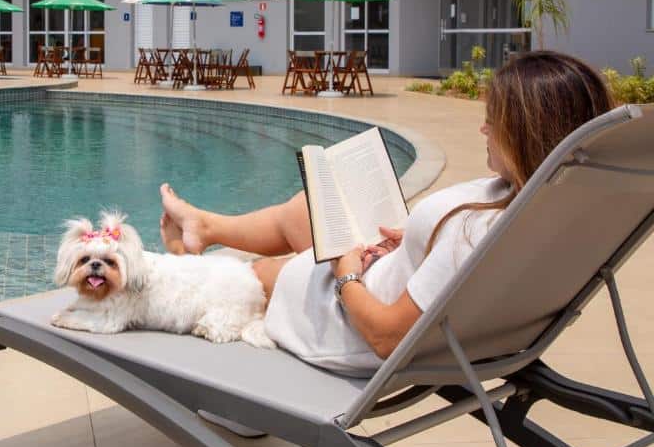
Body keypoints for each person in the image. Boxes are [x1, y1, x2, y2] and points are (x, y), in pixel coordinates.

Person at [158, 52, 614, 375]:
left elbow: (386, 338)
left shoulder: (478, 234)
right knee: (304, 210)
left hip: (347, 322)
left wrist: (345, 273)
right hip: (388, 272)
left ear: (525, 130)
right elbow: (445, 270)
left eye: (493, 119)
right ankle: (207, 226)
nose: (483, 128)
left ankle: (187, 265)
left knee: (252, 276)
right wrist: (414, 245)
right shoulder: (546, 207)